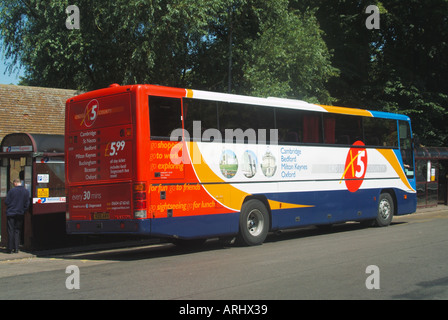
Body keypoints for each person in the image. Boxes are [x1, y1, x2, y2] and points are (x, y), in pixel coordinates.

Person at [5, 178, 30, 253]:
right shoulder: (26, 191)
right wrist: (23, 210)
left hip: (11, 213)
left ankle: (10, 248)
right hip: (20, 213)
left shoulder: (11, 191)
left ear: (15, 183)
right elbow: (27, 204)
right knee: (17, 230)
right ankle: (16, 248)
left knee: (10, 230)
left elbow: (6, 202)